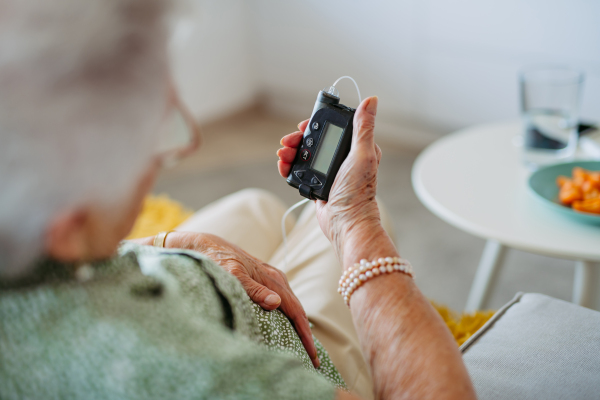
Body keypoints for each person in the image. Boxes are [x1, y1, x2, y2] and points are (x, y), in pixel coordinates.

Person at [0, 0, 477, 399]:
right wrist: (358, 225)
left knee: (257, 206)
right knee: (336, 223)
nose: (185, 146)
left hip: (193, 286)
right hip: (288, 349)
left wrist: (170, 243)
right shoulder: (196, 375)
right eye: (157, 134)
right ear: (67, 225)